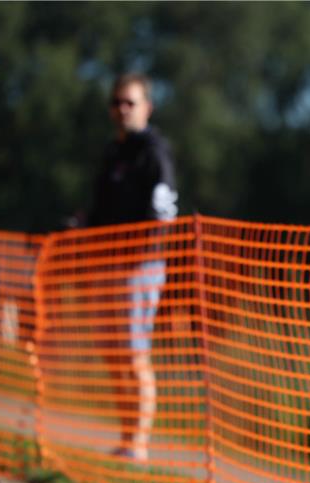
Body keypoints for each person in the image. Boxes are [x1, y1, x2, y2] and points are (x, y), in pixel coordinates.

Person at [75, 72, 179, 462]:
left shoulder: (153, 150)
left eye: (130, 103)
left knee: (134, 353)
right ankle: (126, 436)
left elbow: (164, 205)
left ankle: (139, 442)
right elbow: (101, 207)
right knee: (113, 353)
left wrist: (144, 240)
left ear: (146, 108)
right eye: (117, 102)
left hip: (139, 265)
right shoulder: (112, 152)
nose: (122, 110)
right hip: (105, 264)